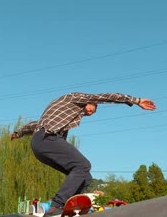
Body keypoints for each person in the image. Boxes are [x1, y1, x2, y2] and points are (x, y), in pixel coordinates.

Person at [10, 92, 157, 217]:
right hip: (47, 139)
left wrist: (18, 133)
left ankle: (69, 207)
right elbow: (105, 97)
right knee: (83, 165)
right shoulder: (74, 98)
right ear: (90, 102)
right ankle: (56, 205)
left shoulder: (62, 116)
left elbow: (35, 125)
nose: (90, 113)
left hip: (39, 145)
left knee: (85, 178)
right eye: (93, 109)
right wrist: (135, 101)